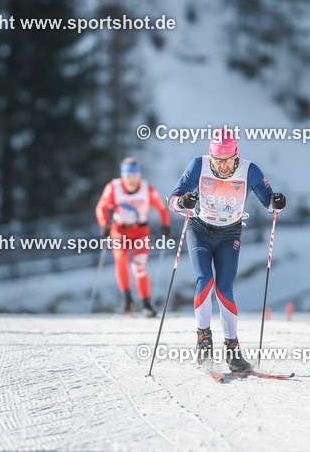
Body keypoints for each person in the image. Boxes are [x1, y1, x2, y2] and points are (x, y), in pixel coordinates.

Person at [169, 128, 286, 374]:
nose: (223, 166)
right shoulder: (198, 166)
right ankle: (203, 341)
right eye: (218, 160)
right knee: (205, 280)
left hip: (229, 234)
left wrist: (277, 204)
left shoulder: (249, 170)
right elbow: (174, 199)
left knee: (225, 289)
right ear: (211, 155)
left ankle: (233, 352)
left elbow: (269, 204)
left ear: (236, 154)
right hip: (199, 229)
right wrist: (183, 203)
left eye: (228, 159)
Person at [95, 157, 170, 317]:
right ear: (123, 176)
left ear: (139, 176)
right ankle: (126, 299)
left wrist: (165, 224)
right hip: (119, 230)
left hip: (140, 232)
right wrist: (104, 224)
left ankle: (145, 303)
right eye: (128, 176)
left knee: (139, 266)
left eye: (135, 176)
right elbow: (102, 206)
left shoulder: (147, 189)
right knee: (121, 259)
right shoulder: (113, 188)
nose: (132, 180)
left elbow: (162, 208)